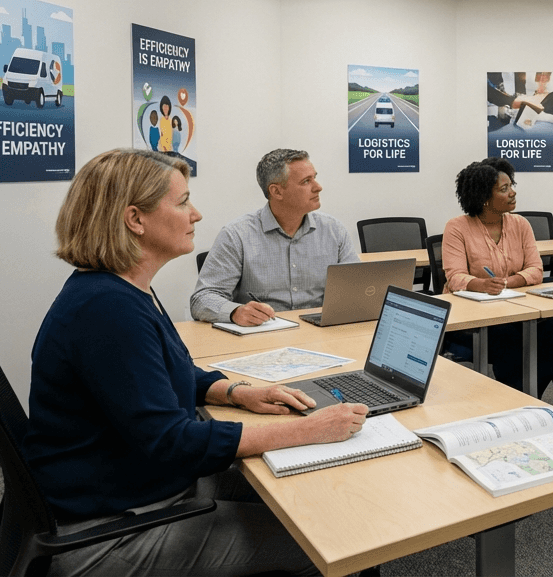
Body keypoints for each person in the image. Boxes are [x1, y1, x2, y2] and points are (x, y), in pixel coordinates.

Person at [24, 148, 366, 576]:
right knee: (333, 543)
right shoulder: (108, 310)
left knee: (303, 490)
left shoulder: (120, 289)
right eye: (183, 201)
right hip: (113, 532)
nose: (196, 214)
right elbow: (171, 442)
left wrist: (238, 392)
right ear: (135, 219)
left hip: (137, 488)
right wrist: (305, 430)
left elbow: (174, 371)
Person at [443, 157, 553, 397]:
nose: (512, 193)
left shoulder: (520, 224)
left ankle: (527, 398)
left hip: (515, 311)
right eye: (504, 189)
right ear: (483, 197)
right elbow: (455, 278)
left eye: (511, 186)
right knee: (514, 343)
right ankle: (515, 401)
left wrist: (506, 283)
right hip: (472, 320)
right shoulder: (457, 227)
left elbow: (535, 270)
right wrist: (480, 284)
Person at [191, 148, 358, 325]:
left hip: (322, 332)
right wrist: (235, 312)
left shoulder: (334, 230)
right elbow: (202, 299)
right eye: (306, 181)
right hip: (262, 334)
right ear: (277, 192)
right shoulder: (236, 235)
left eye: (314, 177)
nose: (318, 187)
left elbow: (358, 288)